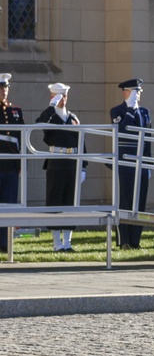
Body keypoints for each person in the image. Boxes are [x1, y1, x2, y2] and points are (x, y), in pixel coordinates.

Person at [36, 83, 86, 252]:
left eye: (64, 96)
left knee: (70, 202)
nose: (62, 99)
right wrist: (51, 106)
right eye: (59, 96)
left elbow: (82, 142)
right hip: (56, 161)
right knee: (55, 200)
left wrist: (83, 166)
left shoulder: (73, 118)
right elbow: (39, 123)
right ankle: (57, 243)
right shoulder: (50, 116)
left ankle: (67, 242)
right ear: (52, 97)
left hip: (72, 161)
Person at [110, 78, 152, 249]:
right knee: (125, 201)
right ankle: (123, 240)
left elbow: (146, 137)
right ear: (126, 92)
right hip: (125, 162)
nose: (138, 95)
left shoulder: (144, 111)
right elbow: (122, 129)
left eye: (139, 92)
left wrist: (147, 164)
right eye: (135, 92)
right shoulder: (117, 111)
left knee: (139, 204)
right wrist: (128, 110)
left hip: (141, 163)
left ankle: (135, 240)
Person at [0, 74, 25, 253]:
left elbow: (21, 137)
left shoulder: (15, 111)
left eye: (6, 87)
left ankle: (4, 243)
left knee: (8, 205)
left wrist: (21, 161)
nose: (4, 91)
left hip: (10, 164)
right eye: (1, 88)